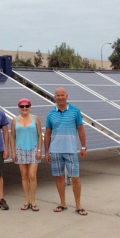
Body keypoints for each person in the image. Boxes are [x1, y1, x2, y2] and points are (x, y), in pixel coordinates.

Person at [44, 87, 88, 216]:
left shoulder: (75, 111)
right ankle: (63, 203)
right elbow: (47, 133)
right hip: (56, 150)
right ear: (55, 97)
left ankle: (78, 205)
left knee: (75, 177)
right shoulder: (51, 114)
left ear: (66, 96)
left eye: (62, 95)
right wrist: (47, 151)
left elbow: (81, 129)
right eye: (58, 95)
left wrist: (83, 147)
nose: (60, 97)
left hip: (71, 150)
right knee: (59, 177)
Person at [10, 98, 43, 211]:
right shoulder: (14, 120)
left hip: (33, 148)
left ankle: (33, 200)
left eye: (26, 106)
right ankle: (26, 200)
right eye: (22, 106)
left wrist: (39, 150)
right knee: (24, 176)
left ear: (30, 107)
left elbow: (40, 135)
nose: (24, 108)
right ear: (19, 107)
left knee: (32, 175)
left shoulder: (36, 119)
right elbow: (12, 136)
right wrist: (13, 152)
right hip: (20, 149)